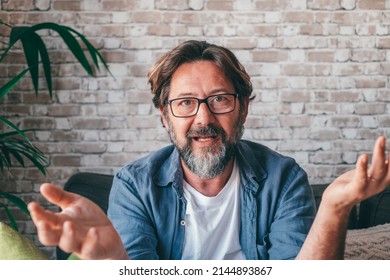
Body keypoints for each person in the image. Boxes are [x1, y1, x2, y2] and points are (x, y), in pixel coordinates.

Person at [28, 40, 390, 260]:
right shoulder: (134, 185)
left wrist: (334, 206)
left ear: (243, 108)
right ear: (165, 117)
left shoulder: (284, 179)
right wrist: (112, 261)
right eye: (185, 102)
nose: (204, 118)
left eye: (219, 99)